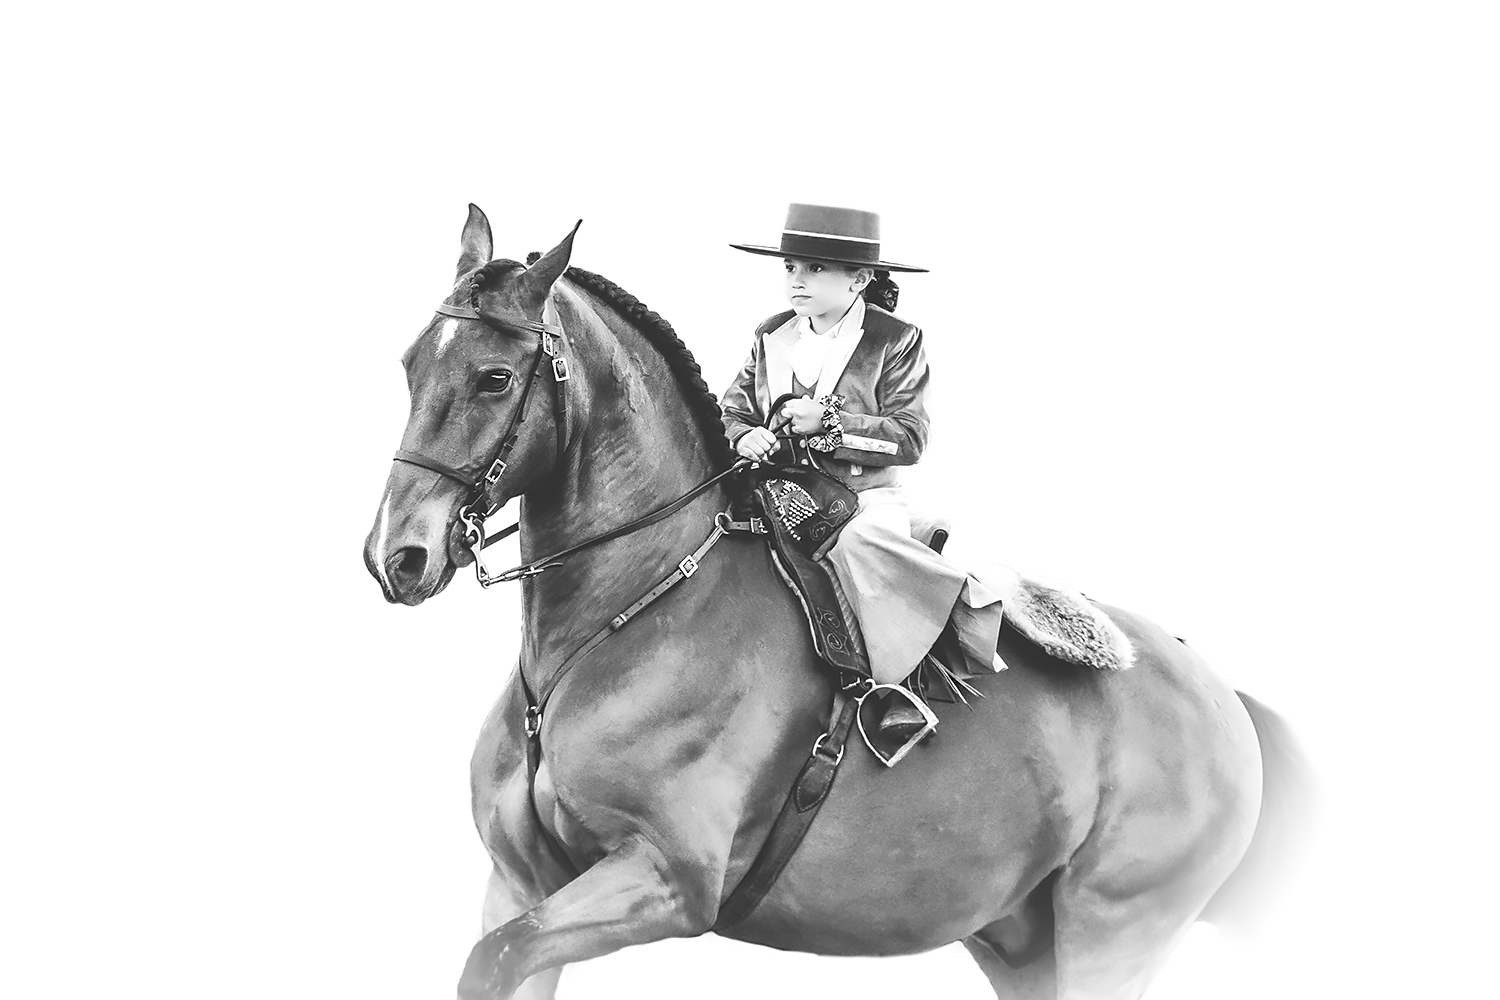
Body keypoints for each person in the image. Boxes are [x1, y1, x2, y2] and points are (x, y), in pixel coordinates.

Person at [720, 204, 1004, 739]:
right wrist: (744, 434)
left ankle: (900, 685)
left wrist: (829, 424)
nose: (797, 280)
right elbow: (733, 408)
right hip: (779, 491)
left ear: (859, 279)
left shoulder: (895, 339)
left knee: (862, 544)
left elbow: (910, 437)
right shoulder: (771, 333)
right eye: (790, 268)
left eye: (815, 269)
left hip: (862, 496)